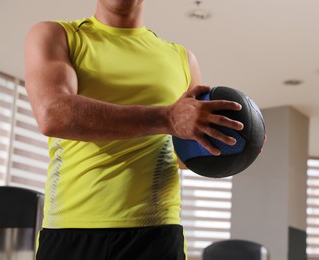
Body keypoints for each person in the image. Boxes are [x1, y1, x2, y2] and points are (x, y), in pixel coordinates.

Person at [25, 1, 244, 259]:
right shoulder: (58, 35)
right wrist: (166, 118)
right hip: (72, 228)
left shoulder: (182, 58)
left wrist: (233, 144)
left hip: (157, 232)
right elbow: (53, 114)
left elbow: (184, 151)